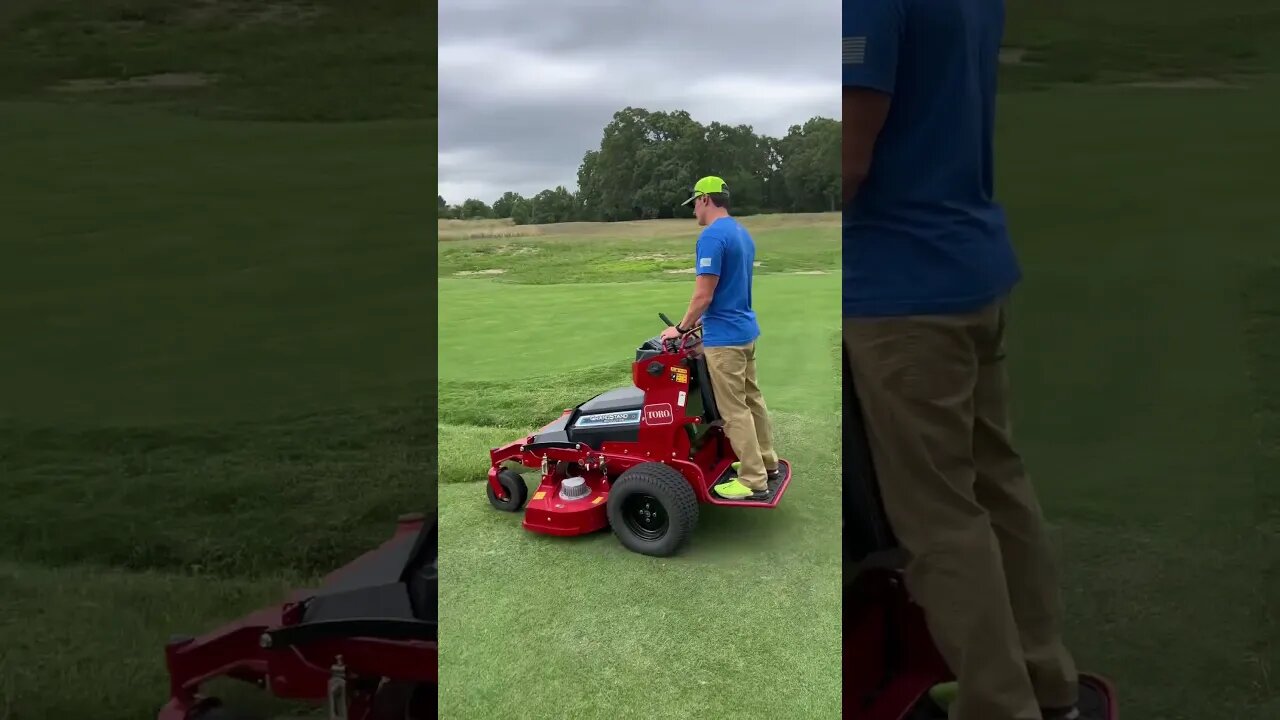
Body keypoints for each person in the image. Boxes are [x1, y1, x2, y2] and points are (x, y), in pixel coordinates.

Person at [842, 2, 1080, 719]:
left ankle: (1000, 705)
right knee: (997, 484)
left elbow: (849, 159)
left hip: (902, 293)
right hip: (970, 266)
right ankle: (1046, 683)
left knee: (939, 519)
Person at [659, 176, 780, 500]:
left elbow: (704, 296)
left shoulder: (712, 236)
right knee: (753, 399)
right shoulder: (741, 232)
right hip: (745, 333)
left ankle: (754, 479)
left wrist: (681, 329)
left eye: (694, 204)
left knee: (734, 410)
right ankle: (766, 462)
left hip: (725, 338)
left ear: (705, 200)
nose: (693, 212)